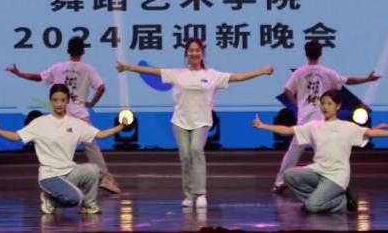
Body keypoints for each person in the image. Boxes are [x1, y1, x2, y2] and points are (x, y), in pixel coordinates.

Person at [117, 38, 274, 209]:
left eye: (197, 50)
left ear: (202, 53)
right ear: (186, 53)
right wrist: (128, 67)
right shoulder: (177, 74)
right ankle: (188, 195)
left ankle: (200, 194)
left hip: (202, 121)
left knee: (196, 150)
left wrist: (262, 71)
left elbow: (237, 77)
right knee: (185, 157)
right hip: (180, 122)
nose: (194, 53)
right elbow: (152, 71)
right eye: (191, 50)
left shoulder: (212, 75)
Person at [0, 84, 131, 215]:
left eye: (62, 100)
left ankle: (89, 205)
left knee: (93, 169)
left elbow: (100, 134)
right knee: (76, 198)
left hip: (69, 172)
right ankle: (50, 201)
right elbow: (16, 136)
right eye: (55, 100)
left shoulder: (75, 123)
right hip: (50, 176)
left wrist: (121, 126)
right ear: (50, 101)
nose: (59, 104)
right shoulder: (40, 123)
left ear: (67, 101)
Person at [253, 90, 388, 213]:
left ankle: (342, 202)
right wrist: (263, 126)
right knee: (288, 175)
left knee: (312, 207)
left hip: (336, 176)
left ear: (338, 106)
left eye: (329, 104)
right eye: (323, 103)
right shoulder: (314, 126)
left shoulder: (347, 127)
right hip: (318, 171)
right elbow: (288, 130)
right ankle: (316, 201)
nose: (325, 107)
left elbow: (369, 132)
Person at [6, 36, 120, 193]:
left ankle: (57, 177)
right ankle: (105, 178)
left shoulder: (58, 67)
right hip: (79, 114)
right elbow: (101, 87)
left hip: (61, 113)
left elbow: (38, 78)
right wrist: (92, 103)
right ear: (83, 51)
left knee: (58, 145)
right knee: (91, 144)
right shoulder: (88, 69)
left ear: (68, 50)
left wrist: (19, 73)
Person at [272, 39, 380, 192]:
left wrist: (298, 105)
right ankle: (327, 181)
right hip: (322, 119)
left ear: (306, 53)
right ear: (320, 53)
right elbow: (347, 80)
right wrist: (367, 79)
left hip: (304, 120)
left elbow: (287, 90)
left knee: (293, 152)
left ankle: (280, 182)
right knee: (323, 154)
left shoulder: (299, 72)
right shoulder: (326, 72)